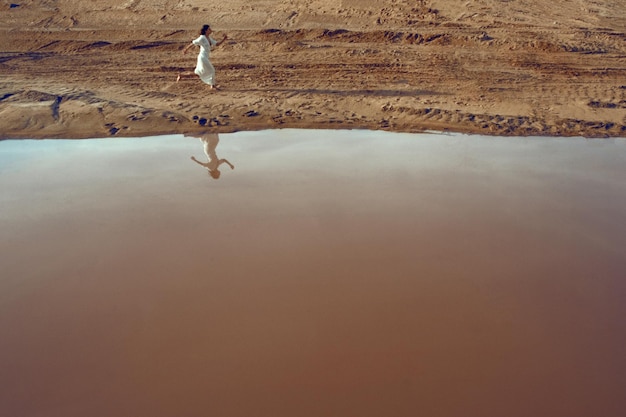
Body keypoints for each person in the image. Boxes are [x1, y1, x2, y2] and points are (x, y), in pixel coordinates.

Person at [178, 24, 228, 89]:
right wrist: (186, 49)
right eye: (209, 29)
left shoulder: (209, 38)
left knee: (199, 73)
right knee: (211, 70)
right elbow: (193, 43)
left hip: (205, 57)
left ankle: (181, 75)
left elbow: (217, 44)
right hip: (202, 57)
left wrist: (224, 39)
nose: (211, 30)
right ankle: (212, 85)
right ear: (206, 30)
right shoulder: (202, 37)